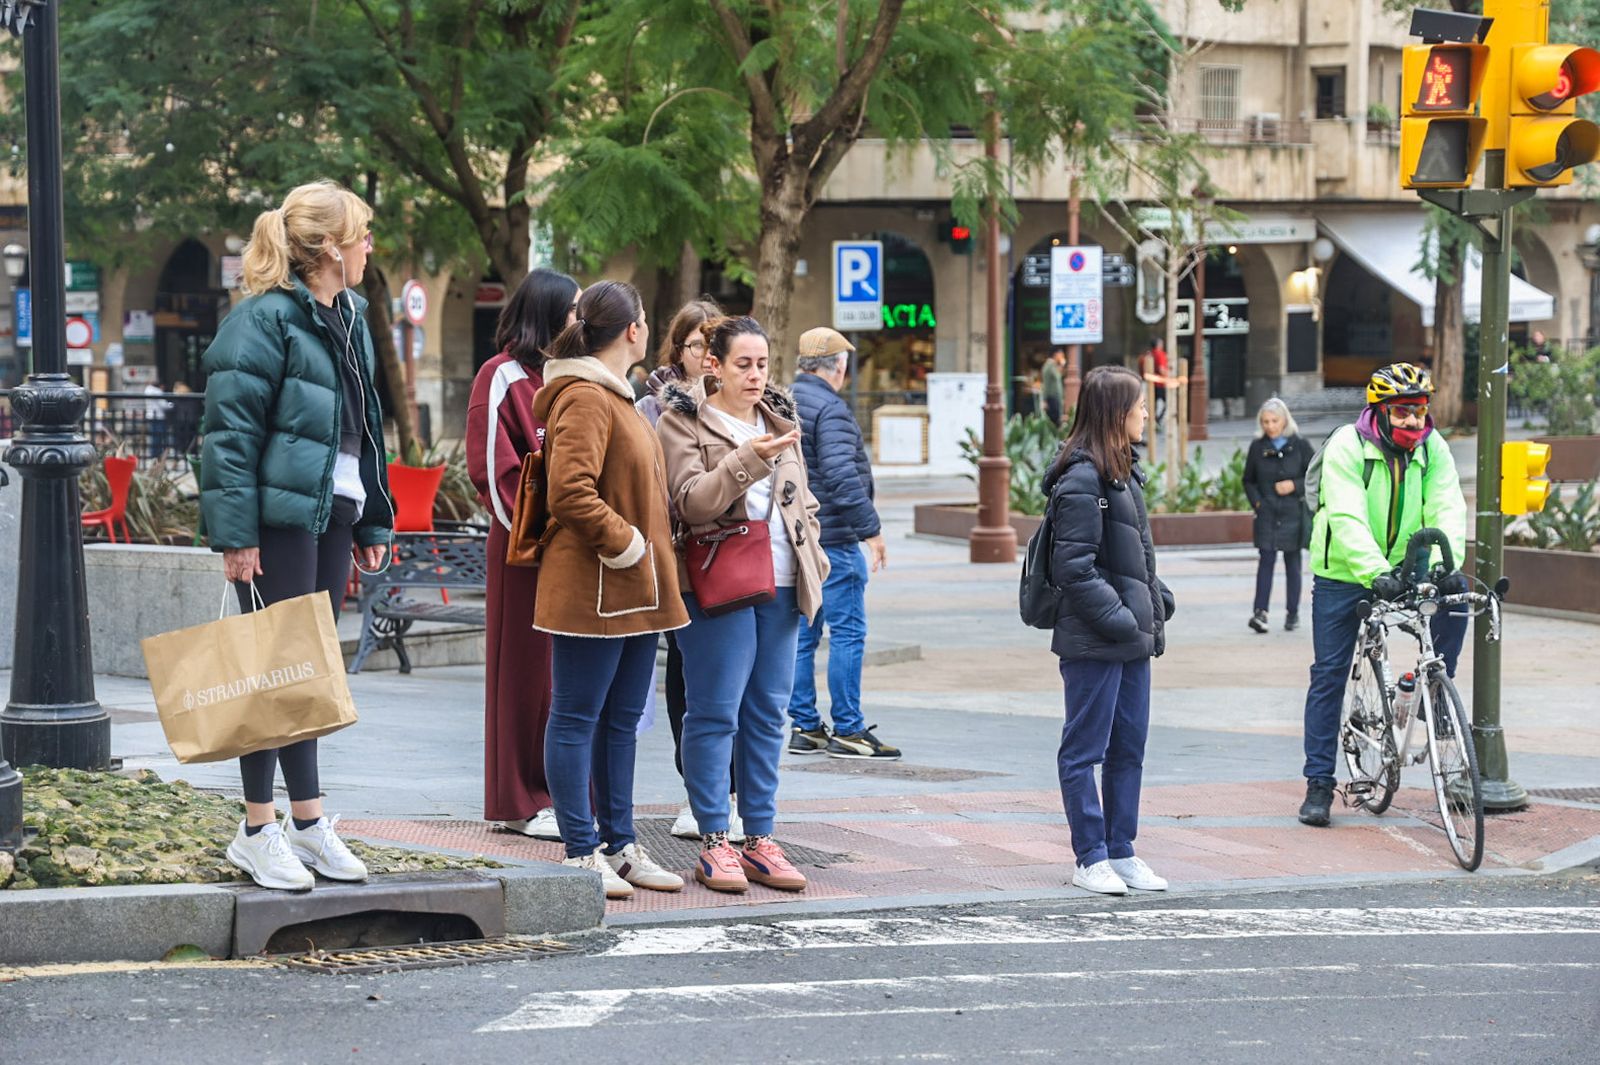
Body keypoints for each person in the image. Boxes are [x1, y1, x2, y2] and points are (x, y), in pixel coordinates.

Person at [200, 180, 394, 891]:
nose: (371, 245)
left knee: (308, 669)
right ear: (329, 248)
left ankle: (307, 823)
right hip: (278, 519)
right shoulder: (266, 320)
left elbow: (366, 427)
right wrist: (235, 535)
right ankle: (256, 828)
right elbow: (228, 436)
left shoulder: (350, 315)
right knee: (270, 669)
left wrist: (371, 514)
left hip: (334, 509)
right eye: (363, 234)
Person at [657, 315, 829, 894]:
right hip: (717, 582)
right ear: (714, 365)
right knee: (714, 712)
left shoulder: (782, 420)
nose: (755, 376)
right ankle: (714, 839)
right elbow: (693, 502)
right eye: (742, 364)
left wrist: (816, 556)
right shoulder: (683, 421)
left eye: (762, 364)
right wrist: (747, 459)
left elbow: (802, 500)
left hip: (782, 583)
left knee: (767, 714)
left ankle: (759, 837)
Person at [532, 279, 688, 899]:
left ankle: (619, 845)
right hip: (594, 587)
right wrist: (626, 544)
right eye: (645, 318)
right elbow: (569, 492)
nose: (647, 327)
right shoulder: (587, 398)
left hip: (632, 590)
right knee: (575, 717)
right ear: (633, 330)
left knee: (620, 720)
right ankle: (580, 849)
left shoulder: (615, 397)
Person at [1297, 363, 1468, 828]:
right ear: (1380, 411)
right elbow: (1346, 517)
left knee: (1459, 596)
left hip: (1403, 562)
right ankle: (1318, 783)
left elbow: (1447, 505)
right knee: (1329, 673)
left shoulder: (1432, 448)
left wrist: (1443, 566)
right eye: (1404, 412)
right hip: (1344, 572)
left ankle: (1437, 689)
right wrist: (1375, 573)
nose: (1414, 422)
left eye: (1420, 411)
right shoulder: (1346, 447)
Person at [1043, 365, 1174, 896]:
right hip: (1096, 639)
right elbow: (1073, 570)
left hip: (1129, 638)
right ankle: (1089, 855)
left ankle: (1121, 850)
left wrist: (1157, 601)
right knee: (1085, 749)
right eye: (1140, 406)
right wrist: (1124, 617)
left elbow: (1134, 555)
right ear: (1118, 415)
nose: (1146, 414)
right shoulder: (1081, 480)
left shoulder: (1123, 473)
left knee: (1129, 747)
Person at [466, 267, 579, 843]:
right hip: (523, 554)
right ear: (551, 314)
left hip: (568, 555)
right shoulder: (501, 376)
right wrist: (540, 539)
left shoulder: (564, 379)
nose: (581, 321)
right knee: (521, 677)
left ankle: (552, 794)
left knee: (557, 680)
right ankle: (518, 800)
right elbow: (493, 472)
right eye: (574, 310)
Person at [633, 297, 745, 843]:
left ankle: (733, 792)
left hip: (737, 562)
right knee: (687, 678)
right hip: (680, 559)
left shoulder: (741, 405)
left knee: (739, 687)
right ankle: (698, 792)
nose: (705, 355)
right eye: (696, 344)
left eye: (712, 344)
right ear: (679, 349)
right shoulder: (656, 408)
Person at [785, 327, 899, 760]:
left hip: (802, 540)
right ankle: (849, 728)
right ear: (839, 366)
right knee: (848, 633)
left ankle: (806, 726)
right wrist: (871, 531)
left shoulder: (787, 400)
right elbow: (841, 476)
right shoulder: (830, 409)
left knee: (804, 634)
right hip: (834, 540)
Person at [1243, 398, 1311, 633]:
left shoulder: (1300, 445)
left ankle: (1292, 613)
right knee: (1266, 560)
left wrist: (1295, 485)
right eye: (1265, 422)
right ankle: (1260, 612)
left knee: (1293, 563)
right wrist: (1258, 503)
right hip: (1267, 512)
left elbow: (1315, 476)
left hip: (1293, 512)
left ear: (1285, 420)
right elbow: (1248, 480)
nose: (1270, 426)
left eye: (1274, 421)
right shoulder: (1257, 447)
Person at [1145, 338, 1169, 421]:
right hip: (1160, 384)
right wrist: (1169, 375)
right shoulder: (1160, 354)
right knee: (1169, 403)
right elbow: (1161, 369)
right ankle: (1157, 419)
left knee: (1153, 404)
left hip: (1151, 384)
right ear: (1158, 344)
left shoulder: (1150, 354)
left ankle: (1153, 420)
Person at [1041, 347, 1066, 426]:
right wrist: (1044, 400)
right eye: (1061, 355)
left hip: (1055, 398)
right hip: (1052, 398)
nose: (1062, 356)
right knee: (1054, 422)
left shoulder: (1053, 366)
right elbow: (1047, 383)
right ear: (1055, 355)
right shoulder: (1049, 366)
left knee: (1057, 421)